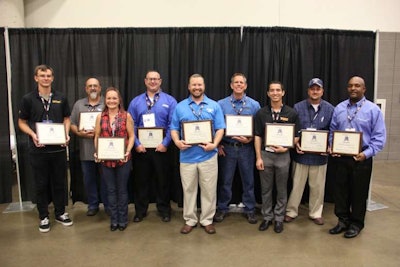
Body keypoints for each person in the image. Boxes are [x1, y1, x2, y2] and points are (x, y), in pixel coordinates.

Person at [18, 64, 73, 233]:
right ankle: (43, 216)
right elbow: (22, 122)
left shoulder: (61, 97)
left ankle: (60, 213)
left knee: (59, 183)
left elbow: (66, 118)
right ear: (36, 78)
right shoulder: (28, 99)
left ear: (53, 78)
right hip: (38, 150)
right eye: (42, 75)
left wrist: (66, 134)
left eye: (48, 75)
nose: (46, 78)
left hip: (58, 150)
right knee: (41, 184)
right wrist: (33, 135)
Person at [329, 76, 386, 238]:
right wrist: (333, 147)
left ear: (364, 89)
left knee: (359, 193)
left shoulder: (373, 110)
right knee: (340, 191)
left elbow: (379, 138)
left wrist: (366, 154)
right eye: (350, 86)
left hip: (361, 158)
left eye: (357, 86)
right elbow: (333, 131)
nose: (353, 88)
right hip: (341, 157)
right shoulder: (340, 108)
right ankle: (342, 220)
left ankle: (356, 224)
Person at [170, 74, 225, 234]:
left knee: (209, 190)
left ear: (204, 86)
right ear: (189, 87)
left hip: (208, 156)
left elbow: (220, 128)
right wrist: (177, 142)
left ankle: (207, 220)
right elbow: (173, 128)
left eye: (199, 85)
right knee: (188, 190)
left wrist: (214, 144)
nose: (197, 87)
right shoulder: (180, 106)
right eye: (194, 85)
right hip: (187, 157)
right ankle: (190, 220)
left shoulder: (214, 106)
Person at [127, 71, 177, 223]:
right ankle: (140, 211)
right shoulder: (135, 102)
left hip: (161, 148)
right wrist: (136, 144)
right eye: (150, 79)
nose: (153, 81)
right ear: (145, 81)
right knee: (140, 181)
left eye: (156, 79)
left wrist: (165, 143)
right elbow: (131, 125)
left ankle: (164, 210)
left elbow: (172, 125)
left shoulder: (170, 100)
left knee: (163, 181)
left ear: (160, 81)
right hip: (141, 149)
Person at [284, 78, 334, 225]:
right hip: (301, 155)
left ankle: (315, 212)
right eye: (312, 88)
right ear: (308, 91)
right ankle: (291, 211)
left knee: (318, 187)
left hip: (320, 157)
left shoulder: (330, 109)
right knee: (296, 186)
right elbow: (294, 128)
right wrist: (296, 142)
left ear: (322, 91)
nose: (315, 91)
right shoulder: (298, 107)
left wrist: (329, 145)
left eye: (318, 89)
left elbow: (332, 130)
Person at [254, 81, 300, 233]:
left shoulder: (291, 113)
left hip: (283, 156)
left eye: (278, 90)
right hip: (266, 155)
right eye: (272, 90)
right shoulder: (261, 113)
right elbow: (257, 136)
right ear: (268, 93)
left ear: (283, 92)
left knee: (281, 189)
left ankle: (279, 218)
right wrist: (258, 157)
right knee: (266, 189)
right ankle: (267, 217)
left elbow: (296, 137)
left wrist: (286, 147)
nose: (275, 93)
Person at [214, 73, 260, 224]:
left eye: (241, 82)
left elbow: (258, 129)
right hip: (227, 148)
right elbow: (215, 126)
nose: (239, 85)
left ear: (245, 86)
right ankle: (222, 208)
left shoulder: (254, 105)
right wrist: (218, 144)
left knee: (249, 181)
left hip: (246, 148)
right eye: (236, 82)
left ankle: (250, 209)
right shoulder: (221, 104)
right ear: (231, 85)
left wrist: (250, 138)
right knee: (225, 181)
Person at [94, 87, 135, 231]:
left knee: (122, 190)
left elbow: (131, 136)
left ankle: (123, 219)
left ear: (119, 100)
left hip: (123, 159)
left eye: (114, 98)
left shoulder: (126, 116)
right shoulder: (100, 117)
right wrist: (97, 151)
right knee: (110, 190)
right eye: (109, 98)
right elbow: (97, 136)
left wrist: (127, 151)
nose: (111, 101)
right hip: (106, 160)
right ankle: (114, 219)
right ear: (105, 100)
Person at [70, 78, 108, 216]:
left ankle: (108, 205)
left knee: (106, 180)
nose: (93, 88)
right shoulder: (79, 105)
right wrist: (79, 132)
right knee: (89, 179)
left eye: (95, 86)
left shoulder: (107, 102)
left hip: (106, 151)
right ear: (86, 89)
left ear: (100, 88)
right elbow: (72, 123)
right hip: (86, 151)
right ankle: (93, 205)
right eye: (90, 86)